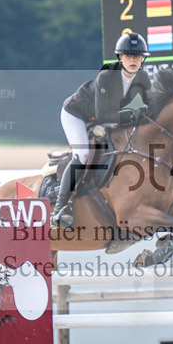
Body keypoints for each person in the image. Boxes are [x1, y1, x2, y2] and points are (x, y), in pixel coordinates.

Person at [48, 32, 153, 228]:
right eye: (128, 55)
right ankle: (59, 210)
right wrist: (132, 115)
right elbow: (102, 115)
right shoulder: (107, 76)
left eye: (137, 56)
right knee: (83, 154)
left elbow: (151, 107)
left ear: (142, 59)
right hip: (77, 114)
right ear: (120, 57)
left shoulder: (143, 78)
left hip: (103, 119)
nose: (133, 60)